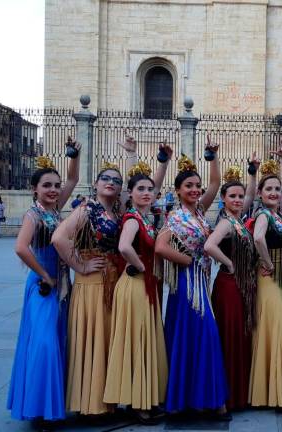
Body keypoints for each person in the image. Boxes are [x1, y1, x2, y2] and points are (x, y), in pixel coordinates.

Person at [7, 138, 80, 428]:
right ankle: (40, 407)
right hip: (44, 286)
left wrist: (73, 153)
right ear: (35, 189)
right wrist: (45, 274)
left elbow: (74, 178)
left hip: (61, 286)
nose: (53, 190)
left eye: (55, 185)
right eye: (47, 185)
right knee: (45, 343)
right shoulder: (33, 214)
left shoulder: (54, 210)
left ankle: (49, 404)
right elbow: (21, 248)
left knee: (57, 340)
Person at [155, 145, 230, 420]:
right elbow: (160, 248)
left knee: (196, 336)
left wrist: (212, 157)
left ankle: (200, 399)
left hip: (200, 281)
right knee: (203, 334)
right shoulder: (175, 216)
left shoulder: (199, 212)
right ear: (177, 190)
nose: (196, 190)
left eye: (197, 186)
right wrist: (187, 260)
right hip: (187, 284)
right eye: (189, 186)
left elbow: (215, 184)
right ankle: (202, 401)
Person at [103, 143, 172, 424]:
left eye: (150, 190)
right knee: (138, 342)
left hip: (147, 286)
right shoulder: (132, 217)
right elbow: (123, 246)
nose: (146, 193)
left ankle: (145, 397)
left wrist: (163, 163)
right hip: (135, 287)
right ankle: (138, 403)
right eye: (140, 189)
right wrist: (141, 266)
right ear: (129, 194)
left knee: (145, 341)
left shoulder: (148, 217)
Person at [53, 161, 126, 416]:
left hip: (110, 281)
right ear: (95, 183)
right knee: (93, 340)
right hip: (92, 283)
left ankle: (105, 402)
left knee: (105, 340)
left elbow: (145, 188)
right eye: (105, 178)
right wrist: (80, 266)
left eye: (116, 181)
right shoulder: (87, 209)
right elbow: (59, 238)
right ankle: (91, 404)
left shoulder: (114, 210)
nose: (111, 182)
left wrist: (130, 154)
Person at [203, 158, 259, 411]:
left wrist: (252, 173)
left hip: (239, 287)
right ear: (223, 198)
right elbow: (209, 246)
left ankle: (237, 394)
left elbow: (250, 195)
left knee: (240, 337)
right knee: (230, 338)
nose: (238, 200)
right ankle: (224, 398)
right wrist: (230, 264)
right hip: (229, 286)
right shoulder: (226, 222)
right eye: (233, 196)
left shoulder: (237, 219)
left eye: (240, 196)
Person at [249, 151, 282, 415]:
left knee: (275, 332)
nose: (274, 192)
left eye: (276, 189)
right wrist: (267, 263)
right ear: (260, 193)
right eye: (268, 189)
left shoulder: (281, 214)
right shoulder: (264, 216)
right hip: (269, 280)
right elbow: (258, 238)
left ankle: (274, 392)